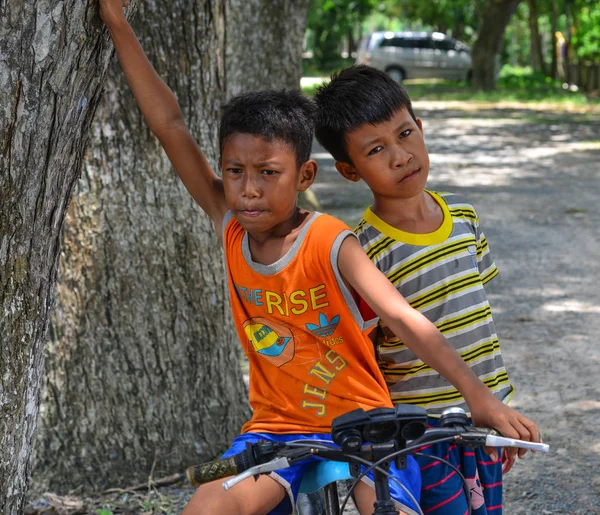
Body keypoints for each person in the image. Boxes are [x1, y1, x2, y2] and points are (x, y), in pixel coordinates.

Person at [99, 2, 538, 513]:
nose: (249, 189)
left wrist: (478, 397)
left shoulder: (333, 240)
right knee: (204, 500)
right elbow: (170, 124)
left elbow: (402, 316)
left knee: (391, 508)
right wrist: (117, 21)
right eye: (234, 171)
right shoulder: (230, 223)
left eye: (268, 172)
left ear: (304, 177)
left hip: (365, 429)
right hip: (273, 434)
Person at [313, 64, 541, 514]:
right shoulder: (365, 253)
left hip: (482, 421)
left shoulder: (463, 217)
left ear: (420, 127)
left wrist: (498, 405)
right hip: (421, 435)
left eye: (405, 134)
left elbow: (477, 320)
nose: (400, 156)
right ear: (348, 170)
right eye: (376, 149)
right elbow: (366, 352)